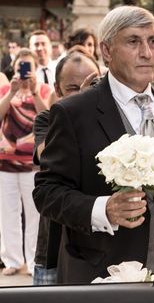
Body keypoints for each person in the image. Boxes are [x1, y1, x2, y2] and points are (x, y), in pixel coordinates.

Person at [33, 6, 154, 303]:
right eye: (134, 42)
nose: (147, 52)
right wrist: (103, 209)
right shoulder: (74, 113)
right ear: (107, 51)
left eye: (152, 41)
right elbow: (47, 192)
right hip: (110, 274)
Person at [32, 50, 101, 285]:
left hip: (100, 245)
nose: (83, 91)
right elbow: (45, 157)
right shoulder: (46, 119)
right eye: (73, 88)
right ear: (57, 89)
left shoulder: (111, 121)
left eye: (92, 83)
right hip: (55, 243)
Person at [0, 48, 53, 275]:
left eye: (27, 66)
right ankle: (12, 260)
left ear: (34, 69)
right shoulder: (5, 89)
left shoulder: (43, 90)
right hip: (5, 162)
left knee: (34, 214)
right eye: (20, 65)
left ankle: (32, 261)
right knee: (8, 213)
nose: (24, 71)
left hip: (32, 163)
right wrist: (11, 93)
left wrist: (35, 94)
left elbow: (48, 118)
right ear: (14, 67)